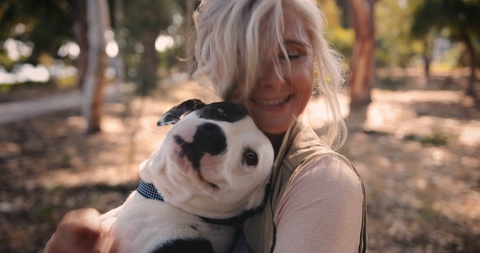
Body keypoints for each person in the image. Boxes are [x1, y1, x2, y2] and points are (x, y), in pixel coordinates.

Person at [45, 0, 367, 252]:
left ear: (315, 59)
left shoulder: (322, 182)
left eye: (291, 55)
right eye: (249, 55)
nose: (273, 79)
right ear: (213, 62)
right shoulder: (192, 148)